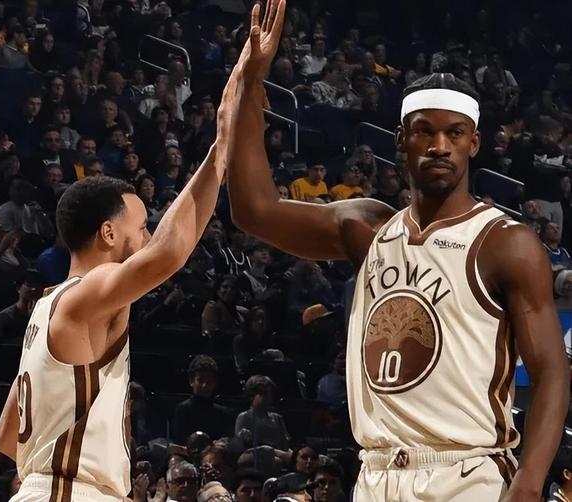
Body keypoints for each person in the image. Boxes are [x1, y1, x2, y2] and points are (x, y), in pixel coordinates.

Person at [225, 3, 568, 498]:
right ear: (402, 139)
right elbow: (254, 210)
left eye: (454, 133)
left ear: (474, 144)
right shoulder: (366, 228)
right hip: (376, 472)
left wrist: (529, 484)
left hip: (466, 472)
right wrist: (251, 81)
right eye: (425, 131)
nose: (439, 146)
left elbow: (552, 372)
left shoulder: (505, 242)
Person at [0, 50, 239, 500]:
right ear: (108, 233)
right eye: (142, 227)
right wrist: (220, 151)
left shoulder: (49, 308)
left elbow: (8, 437)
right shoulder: (83, 295)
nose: (148, 237)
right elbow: (170, 253)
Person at [174, 355, 234, 443]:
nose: (204, 385)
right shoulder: (183, 409)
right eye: (200, 380)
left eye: (209, 382)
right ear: (191, 381)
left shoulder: (224, 413)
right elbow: (180, 441)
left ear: (215, 383)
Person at [235, 375, 290, 451]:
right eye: (264, 394)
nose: (268, 397)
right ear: (252, 396)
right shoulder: (245, 417)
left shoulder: (277, 418)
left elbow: (285, 445)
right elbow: (241, 447)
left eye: (269, 394)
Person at [0, 269, 44, 342]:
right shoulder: (5, 317)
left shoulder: (43, 316)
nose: (34, 289)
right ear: (18, 288)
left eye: (37, 286)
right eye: (29, 285)